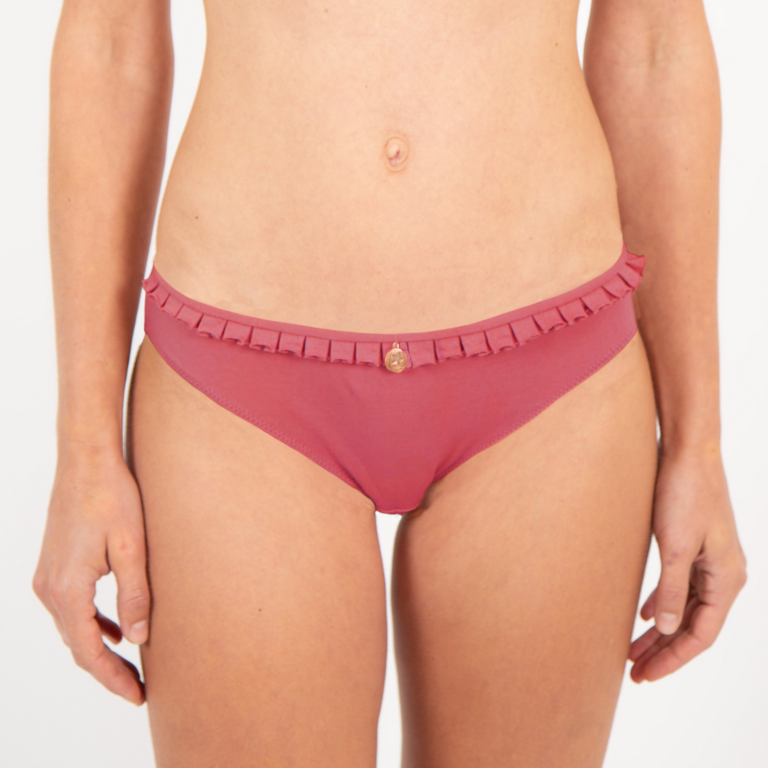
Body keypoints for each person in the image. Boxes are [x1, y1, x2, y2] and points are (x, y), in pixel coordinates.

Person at [32, 0, 747, 766]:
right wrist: (84, 451)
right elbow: (111, 37)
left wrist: (697, 444)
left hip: (553, 381)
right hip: (236, 386)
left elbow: (656, 40)